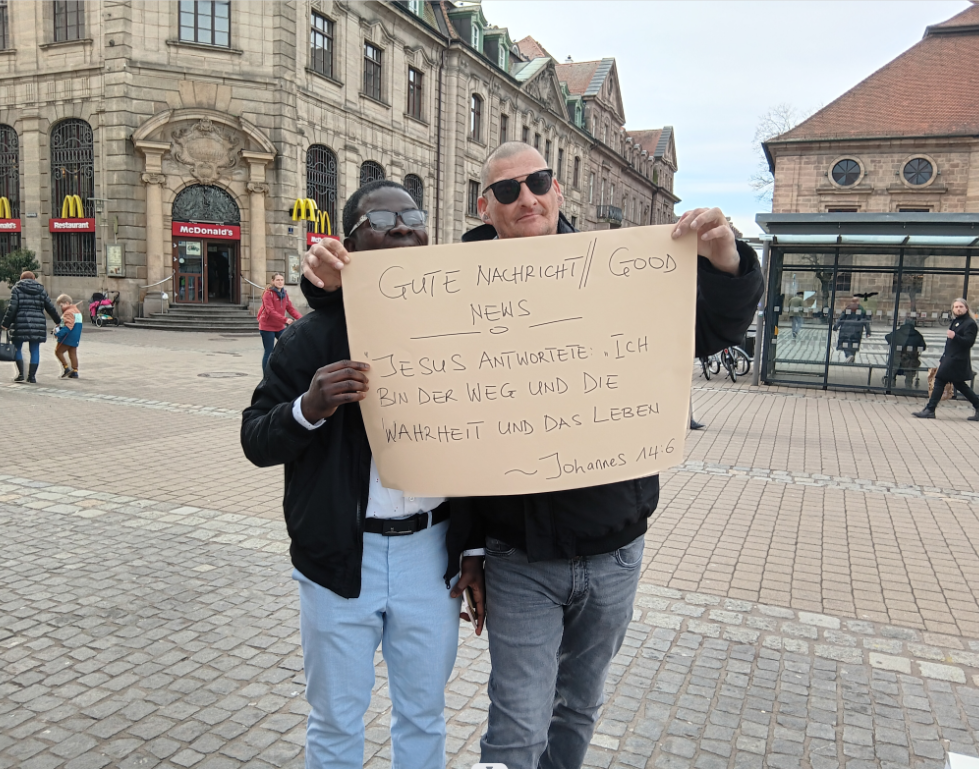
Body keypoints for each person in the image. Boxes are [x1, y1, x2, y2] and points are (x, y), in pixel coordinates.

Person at [300, 142, 765, 769]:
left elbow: (711, 332)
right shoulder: (450, 277)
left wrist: (728, 260)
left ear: (558, 190)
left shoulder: (622, 266)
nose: (527, 197)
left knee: (577, 707)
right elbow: (372, 315)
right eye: (507, 189)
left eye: (539, 181)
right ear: (484, 205)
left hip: (613, 542)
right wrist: (322, 283)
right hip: (517, 553)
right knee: (517, 724)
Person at [241, 179, 486, 769]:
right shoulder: (310, 338)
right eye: (379, 220)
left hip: (431, 555)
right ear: (348, 245)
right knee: (335, 718)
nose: (401, 226)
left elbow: (481, 446)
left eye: (413, 216)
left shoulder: (459, 329)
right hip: (339, 557)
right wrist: (310, 407)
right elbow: (255, 439)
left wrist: (473, 547)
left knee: (424, 715)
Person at [914, 297, 979, 420]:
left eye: (961, 307)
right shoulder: (956, 322)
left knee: (939, 380)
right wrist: (943, 357)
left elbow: (969, 342)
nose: (958, 309)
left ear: (966, 308)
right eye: (956, 307)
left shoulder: (970, 323)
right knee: (959, 384)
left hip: (957, 359)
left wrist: (955, 336)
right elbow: (949, 344)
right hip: (950, 358)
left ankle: (930, 409)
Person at [2, 271, 61, 384]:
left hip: (20, 322)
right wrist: (58, 321)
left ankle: (21, 374)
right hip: (37, 323)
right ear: (34, 278)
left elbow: (12, 307)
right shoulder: (41, 290)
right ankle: (32, 377)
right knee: (34, 350)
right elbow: (50, 307)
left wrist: (5, 323)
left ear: (21, 279)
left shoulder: (16, 289)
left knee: (17, 348)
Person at [257, 272, 302, 372]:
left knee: (288, 346)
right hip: (267, 327)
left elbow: (290, 308)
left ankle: (284, 371)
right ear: (273, 281)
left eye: (282, 280)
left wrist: (302, 318)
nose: (280, 282)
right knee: (269, 351)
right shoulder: (268, 294)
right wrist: (285, 319)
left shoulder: (284, 294)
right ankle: (266, 375)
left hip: (279, 327)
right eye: (277, 280)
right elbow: (270, 311)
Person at [885, 318, 925, 389]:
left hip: (897, 358)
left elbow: (887, 337)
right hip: (910, 360)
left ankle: (891, 382)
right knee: (911, 369)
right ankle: (908, 384)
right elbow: (923, 347)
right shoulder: (917, 335)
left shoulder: (898, 332)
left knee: (893, 366)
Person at [53, 294, 83, 379]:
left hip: (67, 337)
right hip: (75, 337)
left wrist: (58, 334)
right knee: (73, 353)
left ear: (67, 303)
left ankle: (66, 368)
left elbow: (68, 326)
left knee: (58, 352)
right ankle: (75, 371)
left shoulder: (68, 312)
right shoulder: (77, 311)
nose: (61, 307)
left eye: (61, 305)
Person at [833, 298, 869, 363]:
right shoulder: (862, 310)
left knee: (845, 343)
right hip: (857, 330)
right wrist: (868, 332)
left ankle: (849, 355)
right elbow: (866, 321)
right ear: (858, 302)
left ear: (852, 302)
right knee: (854, 343)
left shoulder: (848, 308)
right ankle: (852, 357)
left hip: (846, 329)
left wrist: (836, 327)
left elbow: (841, 318)